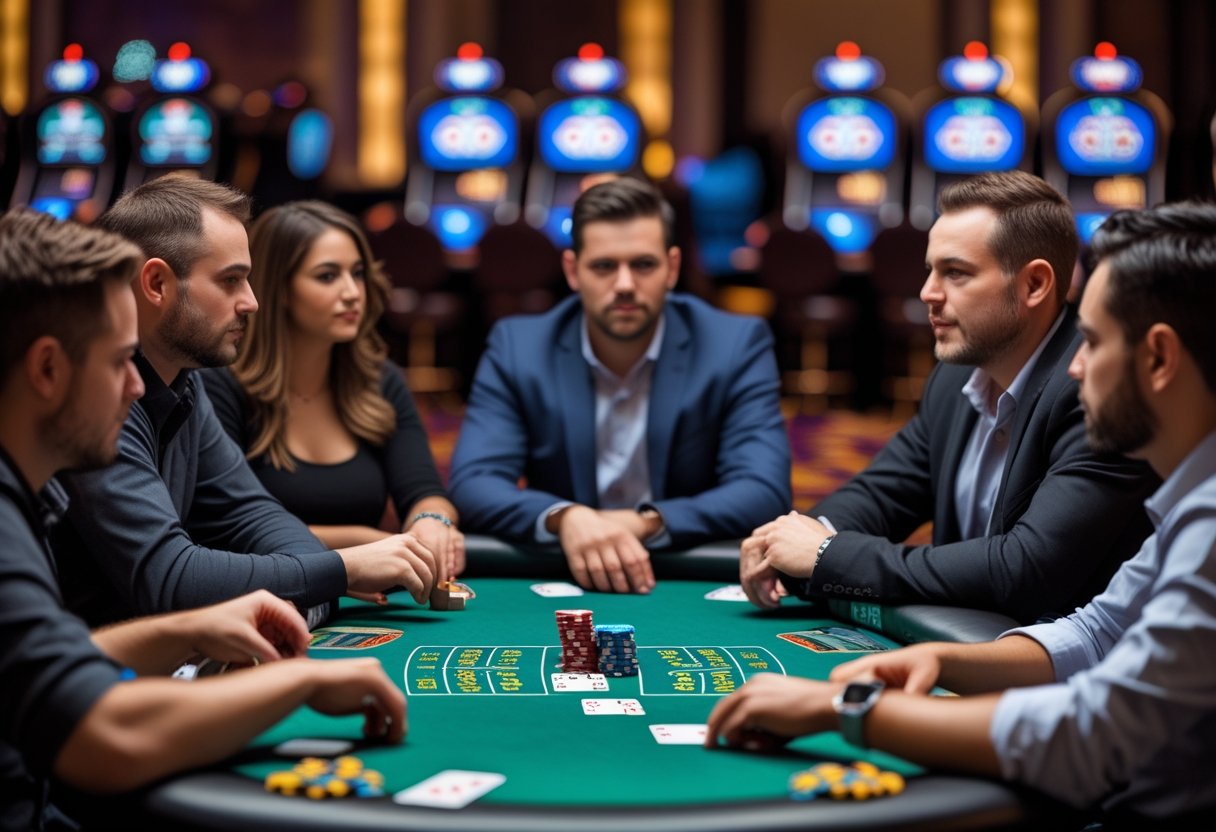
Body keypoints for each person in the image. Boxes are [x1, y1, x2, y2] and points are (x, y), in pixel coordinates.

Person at [707, 201, 1216, 822]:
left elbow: (1091, 732)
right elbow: (1094, 632)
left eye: (1093, 339)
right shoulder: (1186, 504)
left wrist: (847, 708)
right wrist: (941, 658)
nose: (1077, 366)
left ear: (1159, 359)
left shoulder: (1202, 514)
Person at [0, 209, 405, 832]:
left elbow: (44, 664)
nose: (139, 387)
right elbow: (101, 736)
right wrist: (297, 687)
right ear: (48, 370)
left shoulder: (30, 489)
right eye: (117, 361)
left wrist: (191, 628)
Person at [741, 171, 1157, 623]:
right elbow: (883, 494)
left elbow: (1026, 569)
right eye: (931, 270)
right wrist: (801, 537)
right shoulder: (954, 376)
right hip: (973, 644)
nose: (927, 294)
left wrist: (826, 555)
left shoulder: (1094, 389)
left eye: (955, 273)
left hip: (1069, 671)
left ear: (1035, 285)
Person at [50, 175, 437, 628]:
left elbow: (251, 512)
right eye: (231, 280)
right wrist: (341, 569)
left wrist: (314, 578)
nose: (251, 302)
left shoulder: (187, 381)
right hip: (70, 681)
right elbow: (170, 578)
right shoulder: (98, 394)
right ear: (156, 283)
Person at [449, 177, 791, 594]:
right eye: (604, 266)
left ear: (673, 268)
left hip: (684, 574)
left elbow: (763, 489)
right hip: (566, 573)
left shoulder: (734, 344)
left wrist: (641, 521)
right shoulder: (519, 346)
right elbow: (474, 482)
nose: (625, 284)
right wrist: (568, 517)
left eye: (643, 265)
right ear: (573, 271)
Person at [200, 200, 465, 580]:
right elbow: (220, 527)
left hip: (371, 603)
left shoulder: (380, 381)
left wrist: (431, 520)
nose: (352, 292)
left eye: (356, 274)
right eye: (327, 276)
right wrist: (364, 543)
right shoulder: (222, 385)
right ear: (280, 289)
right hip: (268, 599)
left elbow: (424, 487)